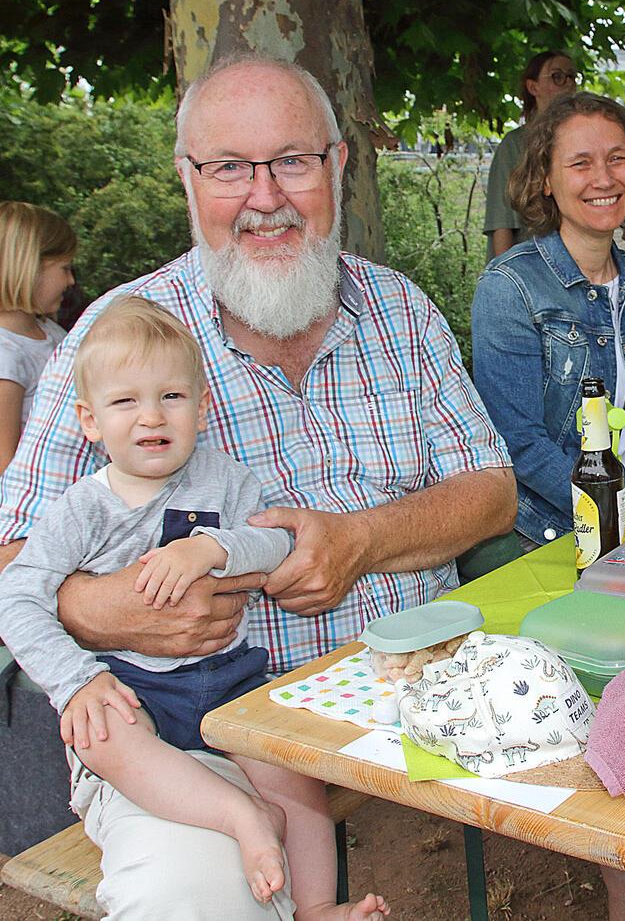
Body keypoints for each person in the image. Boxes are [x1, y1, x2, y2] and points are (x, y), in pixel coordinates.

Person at [0, 54, 516, 920]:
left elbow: (492, 489)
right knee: (189, 899)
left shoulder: (403, 310)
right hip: (193, 732)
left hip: (418, 691)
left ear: (339, 164)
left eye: (293, 161)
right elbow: (10, 546)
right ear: (187, 179)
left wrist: (361, 540)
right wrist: (98, 609)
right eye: (230, 167)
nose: (265, 195)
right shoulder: (119, 341)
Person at [0, 297, 387, 920]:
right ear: (89, 421)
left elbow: (275, 539)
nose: (151, 415)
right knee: (104, 738)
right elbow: (15, 594)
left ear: (201, 408)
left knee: (290, 767)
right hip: (129, 686)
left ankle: (315, 907)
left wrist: (212, 547)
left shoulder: (226, 481)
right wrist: (76, 682)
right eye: (125, 401)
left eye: (171, 397)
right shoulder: (82, 509)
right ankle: (237, 813)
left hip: (227, 679)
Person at [471, 93, 625, 548]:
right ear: (545, 180)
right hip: (555, 535)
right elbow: (518, 443)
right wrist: (614, 514)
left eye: (617, 158)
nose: (603, 178)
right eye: (580, 163)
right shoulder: (511, 288)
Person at [0, 202, 76, 471]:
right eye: (65, 268)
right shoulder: (7, 354)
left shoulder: (50, 332)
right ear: (29, 268)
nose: (71, 281)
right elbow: (4, 462)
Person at [483, 50, 580, 260]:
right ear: (533, 87)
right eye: (557, 76)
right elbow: (501, 222)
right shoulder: (516, 144)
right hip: (532, 268)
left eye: (572, 76)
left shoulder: (583, 141)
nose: (568, 84)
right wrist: (505, 281)